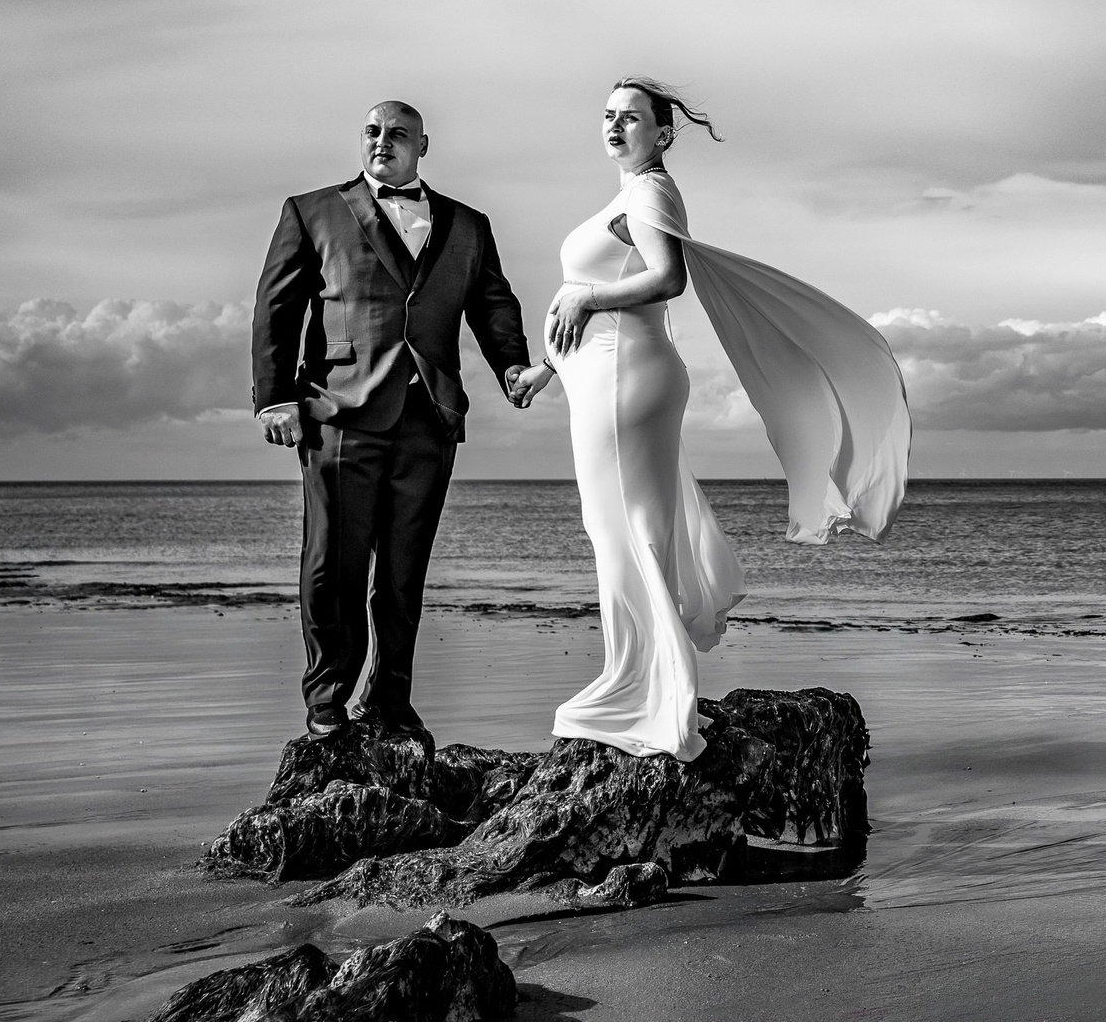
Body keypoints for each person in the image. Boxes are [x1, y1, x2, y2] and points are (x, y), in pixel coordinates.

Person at [511, 77, 909, 761]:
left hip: (623, 380)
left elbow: (666, 278)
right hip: (610, 376)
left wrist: (589, 301)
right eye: (607, 116)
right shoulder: (627, 193)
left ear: (662, 133)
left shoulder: (650, 191)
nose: (615, 126)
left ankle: (647, 695)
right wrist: (547, 364)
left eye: (631, 118)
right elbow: (589, 294)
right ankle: (640, 683)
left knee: (625, 528)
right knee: (625, 526)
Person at [251, 100, 540, 740]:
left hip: (429, 416)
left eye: (399, 134)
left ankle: (391, 699)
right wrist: (274, 399)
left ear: (424, 145)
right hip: (338, 413)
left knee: (404, 573)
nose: (384, 141)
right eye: (373, 131)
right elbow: (277, 308)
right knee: (333, 567)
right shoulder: (311, 210)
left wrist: (512, 369)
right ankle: (327, 699)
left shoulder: (469, 224)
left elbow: (494, 303)